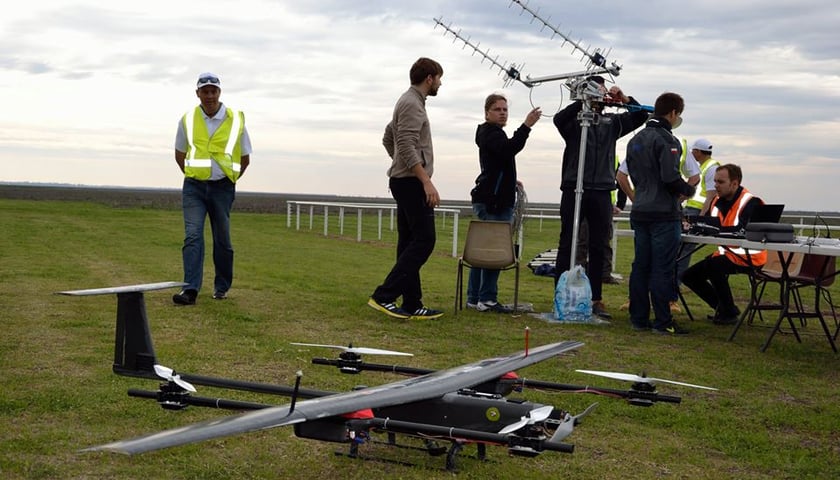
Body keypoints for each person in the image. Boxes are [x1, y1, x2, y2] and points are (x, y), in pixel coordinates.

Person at [553, 76, 649, 319]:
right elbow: (558, 119)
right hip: (574, 187)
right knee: (568, 242)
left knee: (598, 245)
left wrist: (624, 99)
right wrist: (582, 101)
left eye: (603, 91)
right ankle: (561, 294)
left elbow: (640, 116)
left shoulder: (612, 122)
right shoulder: (574, 122)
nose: (601, 96)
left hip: (602, 190)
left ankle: (595, 299)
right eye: (597, 90)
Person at [368, 57, 445, 320]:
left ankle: (412, 302)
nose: (440, 83)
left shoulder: (408, 101)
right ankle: (384, 295)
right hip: (411, 183)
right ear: (429, 78)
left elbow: (389, 137)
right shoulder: (412, 104)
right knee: (425, 240)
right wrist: (425, 180)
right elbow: (404, 141)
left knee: (409, 242)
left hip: (404, 179)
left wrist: (399, 162)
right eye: (439, 78)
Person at [172, 72, 251, 305]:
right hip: (194, 187)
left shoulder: (235, 119)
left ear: (219, 93)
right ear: (197, 93)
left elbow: (245, 158)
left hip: (223, 188)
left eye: (213, 91)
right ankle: (190, 290)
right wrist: (195, 176)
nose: (209, 96)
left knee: (222, 240)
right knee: (193, 236)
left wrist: (229, 179)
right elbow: (180, 154)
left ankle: (221, 286)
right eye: (204, 91)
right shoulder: (187, 119)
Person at [625, 92, 696, 334]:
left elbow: (632, 175)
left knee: (641, 266)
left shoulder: (635, 139)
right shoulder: (667, 140)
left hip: (641, 209)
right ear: (674, 113)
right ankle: (663, 322)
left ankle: (638, 318)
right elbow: (669, 177)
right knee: (662, 268)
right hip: (663, 213)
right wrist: (688, 190)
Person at [467, 93, 542, 313]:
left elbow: (498, 163)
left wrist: (510, 181)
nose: (502, 113)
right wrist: (526, 126)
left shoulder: (491, 134)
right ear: (487, 112)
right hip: (495, 203)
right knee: (492, 252)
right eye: (498, 109)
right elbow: (509, 149)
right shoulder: (491, 133)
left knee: (480, 251)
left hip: (491, 198)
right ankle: (487, 299)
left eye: (505, 109)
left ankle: (474, 298)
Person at [681, 164, 766, 325]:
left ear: (734, 183)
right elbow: (709, 223)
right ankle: (725, 309)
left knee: (714, 267)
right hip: (726, 254)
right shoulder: (716, 201)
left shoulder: (751, 203)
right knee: (688, 276)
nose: (716, 186)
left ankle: (727, 312)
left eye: (720, 182)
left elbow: (742, 231)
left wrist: (714, 230)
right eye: (715, 181)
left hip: (749, 257)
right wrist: (691, 223)